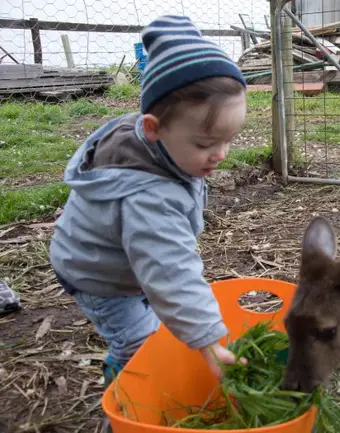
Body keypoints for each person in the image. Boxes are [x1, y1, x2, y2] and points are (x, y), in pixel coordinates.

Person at [48, 14, 248, 389]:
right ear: (153, 128)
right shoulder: (147, 196)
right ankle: (124, 398)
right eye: (206, 144)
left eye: (228, 140)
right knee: (139, 342)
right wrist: (207, 338)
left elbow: (161, 257)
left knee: (159, 312)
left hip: (115, 257)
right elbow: (168, 268)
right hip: (97, 274)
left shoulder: (157, 145)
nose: (221, 154)